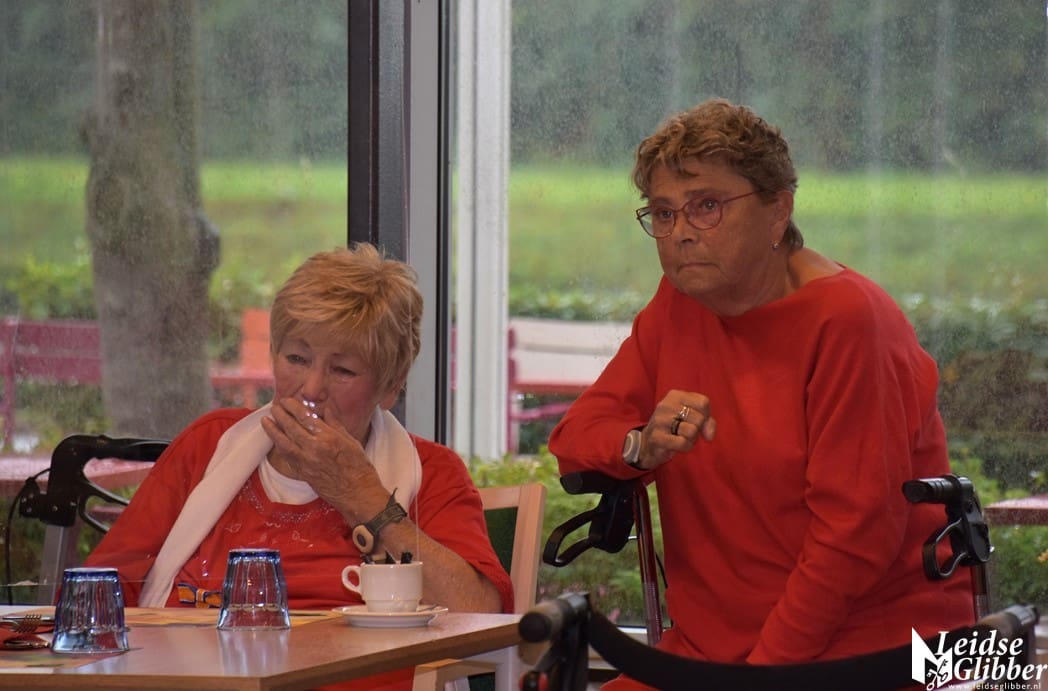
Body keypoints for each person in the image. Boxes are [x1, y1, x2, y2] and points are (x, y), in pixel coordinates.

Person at [547, 99, 974, 688]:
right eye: (664, 213)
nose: (681, 233)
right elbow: (574, 440)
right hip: (710, 654)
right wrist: (641, 445)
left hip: (875, 653)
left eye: (707, 206)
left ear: (778, 211)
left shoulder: (850, 321)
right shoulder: (680, 304)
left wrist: (761, 678)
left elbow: (852, 543)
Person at [85, 244, 512, 691]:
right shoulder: (209, 446)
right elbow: (96, 601)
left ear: (390, 385)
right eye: (296, 359)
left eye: (342, 370)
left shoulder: (432, 472)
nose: (311, 388)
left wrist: (364, 497)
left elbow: (479, 618)